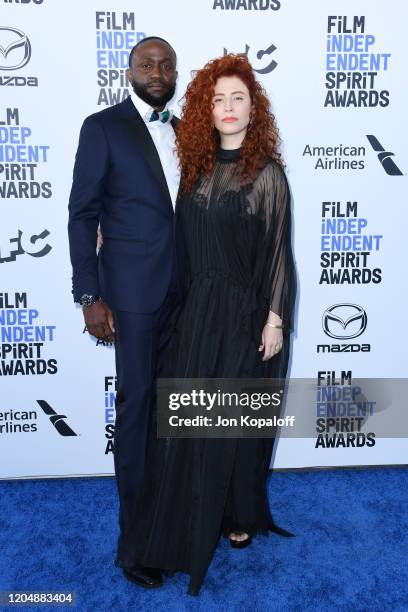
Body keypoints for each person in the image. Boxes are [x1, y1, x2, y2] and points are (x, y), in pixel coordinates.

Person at [121, 53, 297, 595]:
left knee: (236, 425)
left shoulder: (267, 173)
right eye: (217, 99)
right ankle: (169, 538)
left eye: (237, 98)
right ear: (203, 108)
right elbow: (179, 243)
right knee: (188, 427)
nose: (227, 107)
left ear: (253, 108)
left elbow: (278, 253)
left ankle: (235, 512)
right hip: (195, 312)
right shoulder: (194, 169)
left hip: (246, 317)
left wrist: (275, 319)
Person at [67, 37, 186, 589]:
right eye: (146, 64)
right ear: (129, 70)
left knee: (175, 416)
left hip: (186, 295)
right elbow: (81, 214)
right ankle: (135, 546)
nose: (156, 72)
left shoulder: (187, 129)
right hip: (132, 296)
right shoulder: (103, 127)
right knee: (138, 415)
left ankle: (174, 529)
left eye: (165, 65)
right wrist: (90, 296)